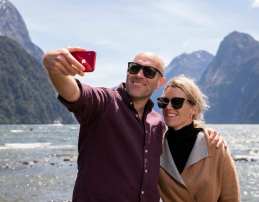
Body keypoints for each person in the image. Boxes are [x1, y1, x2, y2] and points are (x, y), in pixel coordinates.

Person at [42, 47, 225, 202]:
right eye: (134, 68)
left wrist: (203, 131)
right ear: (128, 71)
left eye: (149, 72)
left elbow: (180, 136)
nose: (139, 75)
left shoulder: (157, 123)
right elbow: (75, 93)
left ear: (160, 82)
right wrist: (54, 69)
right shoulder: (103, 102)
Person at [157, 75, 240, 202]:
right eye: (164, 101)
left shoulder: (215, 146)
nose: (168, 107)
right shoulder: (155, 148)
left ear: (194, 109)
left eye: (176, 102)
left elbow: (231, 198)